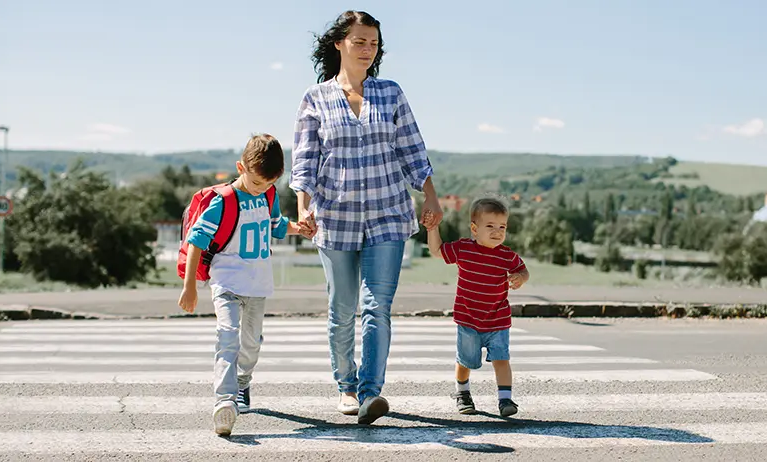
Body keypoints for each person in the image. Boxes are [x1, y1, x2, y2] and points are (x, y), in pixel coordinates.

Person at [290, 10, 444, 425]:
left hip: (388, 214)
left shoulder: (391, 93)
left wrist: (430, 197)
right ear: (339, 43)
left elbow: (414, 151)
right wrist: (304, 209)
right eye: (359, 41)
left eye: (373, 43)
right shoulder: (315, 98)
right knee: (343, 307)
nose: (367, 49)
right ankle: (346, 384)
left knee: (378, 307)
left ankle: (370, 393)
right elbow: (304, 161)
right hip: (335, 217)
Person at [178, 134, 306, 436]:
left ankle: (243, 382)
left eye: (268, 183)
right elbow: (196, 240)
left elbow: (276, 226)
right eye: (257, 183)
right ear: (240, 167)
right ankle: (224, 400)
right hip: (226, 282)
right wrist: (190, 286)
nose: (262, 189)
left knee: (250, 345)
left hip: (258, 285)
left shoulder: (269, 195)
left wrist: (299, 229)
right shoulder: (223, 202)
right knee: (228, 337)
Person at [425, 197, 530, 417]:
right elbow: (437, 251)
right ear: (474, 228)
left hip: (498, 320)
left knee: (502, 359)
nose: (497, 231)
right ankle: (462, 393)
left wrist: (521, 277)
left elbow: (523, 270)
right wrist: (432, 228)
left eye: (502, 227)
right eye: (490, 226)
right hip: (468, 321)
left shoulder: (506, 255)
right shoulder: (464, 249)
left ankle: (505, 400)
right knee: (466, 361)